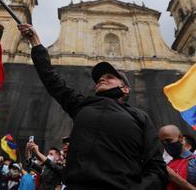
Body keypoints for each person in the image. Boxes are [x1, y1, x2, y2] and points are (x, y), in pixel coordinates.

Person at [18, 24, 168, 189]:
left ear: (125, 89)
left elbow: (156, 167)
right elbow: (51, 80)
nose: (102, 79)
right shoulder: (82, 105)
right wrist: (36, 42)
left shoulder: (140, 117)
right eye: (99, 79)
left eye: (109, 77)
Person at [159, 125, 196, 189]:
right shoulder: (167, 165)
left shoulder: (194, 161)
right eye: (163, 142)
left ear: (181, 139)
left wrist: (176, 179)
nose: (165, 144)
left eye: (168, 140)